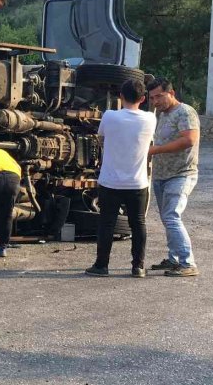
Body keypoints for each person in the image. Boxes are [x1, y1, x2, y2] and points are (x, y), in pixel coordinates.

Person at [85, 79, 156, 278]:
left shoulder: (109, 116)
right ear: (143, 99)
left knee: (107, 223)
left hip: (110, 180)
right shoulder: (150, 119)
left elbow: (101, 137)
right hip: (137, 181)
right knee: (138, 223)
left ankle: (101, 265)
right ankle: (138, 266)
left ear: (120, 97)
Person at [147, 77, 201, 277]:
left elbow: (189, 139)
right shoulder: (162, 115)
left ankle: (188, 263)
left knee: (171, 216)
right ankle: (174, 259)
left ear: (172, 93)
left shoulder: (185, 112)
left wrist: (156, 150)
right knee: (167, 218)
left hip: (181, 174)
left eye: (159, 96)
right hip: (162, 175)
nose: (155, 102)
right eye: (152, 98)